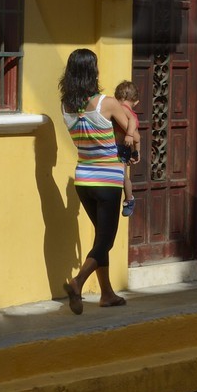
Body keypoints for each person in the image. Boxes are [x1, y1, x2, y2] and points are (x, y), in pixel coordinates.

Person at [59, 48, 134, 313]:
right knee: (106, 241)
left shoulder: (66, 106)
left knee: (100, 239)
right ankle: (78, 282)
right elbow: (132, 134)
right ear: (93, 72)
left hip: (83, 181)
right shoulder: (107, 103)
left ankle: (107, 294)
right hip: (108, 180)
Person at [112, 80, 141, 217]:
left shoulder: (122, 108)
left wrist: (129, 134)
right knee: (123, 176)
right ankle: (129, 199)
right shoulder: (124, 108)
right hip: (123, 146)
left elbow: (133, 122)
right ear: (135, 102)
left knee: (123, 176)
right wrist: (136, 152)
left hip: (122, 146)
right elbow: (138, 138)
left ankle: (129, 199)